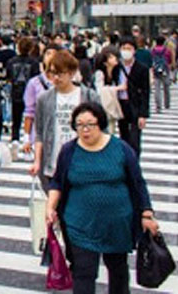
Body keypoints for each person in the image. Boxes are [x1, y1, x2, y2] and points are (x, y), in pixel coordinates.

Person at [46, 102, 158, 294]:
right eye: (80, 125)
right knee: (83, 272)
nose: (85, 130)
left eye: (90, 124)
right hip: (79, 224)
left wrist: (146, 214)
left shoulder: (121, 148)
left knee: (118, 272)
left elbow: (138, 182)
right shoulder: (69, 151)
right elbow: (57, 182)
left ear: (101, 123)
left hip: (116, 225)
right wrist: (50, 207)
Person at [30, 50, 101, 190]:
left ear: (72, 72)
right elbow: (39, 133)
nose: (56, 78)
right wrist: (37, 161)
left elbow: (101, 130)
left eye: (60, 73)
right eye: (52, 73)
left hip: (82, 162)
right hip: (52, 162)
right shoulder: (44, 99)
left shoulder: (89, 96)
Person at [114, 37, 151, 157]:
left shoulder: (142, 68)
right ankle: (125, 164)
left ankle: (134, 164)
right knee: (123, 138)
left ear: (134, 50)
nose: (126, 51)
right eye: (123, 48)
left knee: (135, 140)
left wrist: (143, 114)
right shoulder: (116, 68)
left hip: (135, 105)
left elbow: (145, 92)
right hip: (121, 104)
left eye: (129, 48)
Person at [149, 36, 172, 113]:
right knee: (166, 87)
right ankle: (167, 103)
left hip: (156, 70)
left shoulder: (152, 50)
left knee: (157, 89)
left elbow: (151, 60)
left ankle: (158, 106)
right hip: (165, 70)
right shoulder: (167, 50)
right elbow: (170, 60)